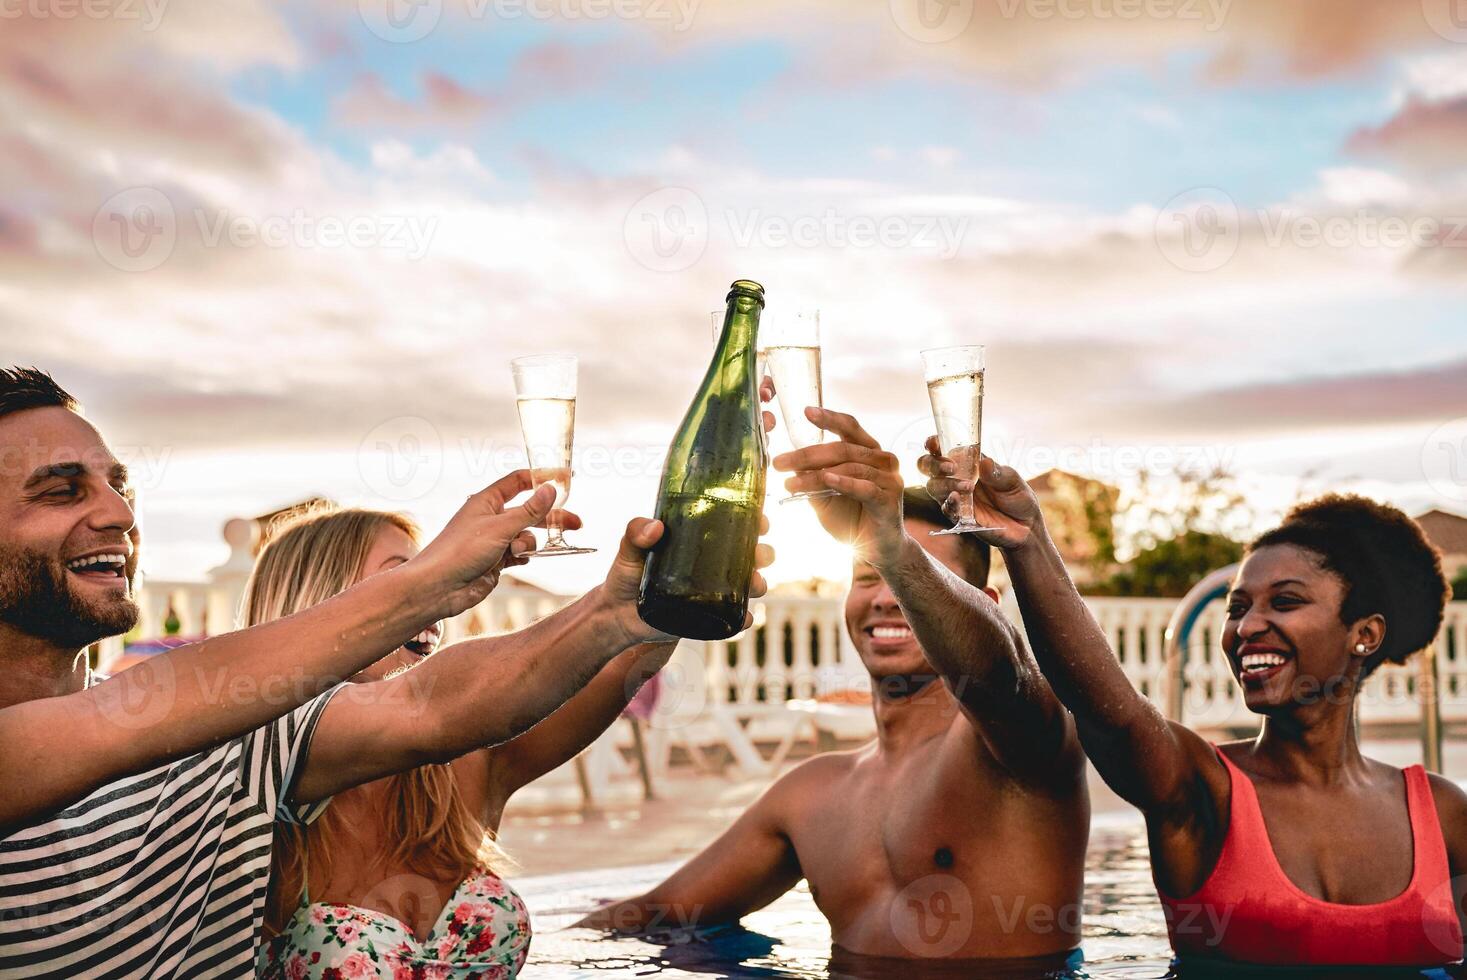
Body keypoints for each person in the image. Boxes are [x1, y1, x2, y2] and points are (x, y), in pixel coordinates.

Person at [0, 366, 772, 979]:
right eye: (62, 490)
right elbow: (127, 714)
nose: (121, 516)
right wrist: (427, 580)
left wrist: (626, 608)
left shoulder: (223, 750)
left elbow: (429, 708)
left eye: (119, 486)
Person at [920, 444, 1467, 969]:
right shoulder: (1201, 787)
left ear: (1365, 635)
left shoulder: (1442, 814)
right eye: (1237, 608)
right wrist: (1029, 542)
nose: (1248, 627)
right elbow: (1110, 710)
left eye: (1286, 601)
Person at [580, 406, 1089, 970]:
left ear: (985, 606)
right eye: (867, 576)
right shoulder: (812, 795)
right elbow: (659, 913)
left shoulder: (1021, 750)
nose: (884, 596)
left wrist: (893, 549)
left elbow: (1004, 675)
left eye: (921, 577)